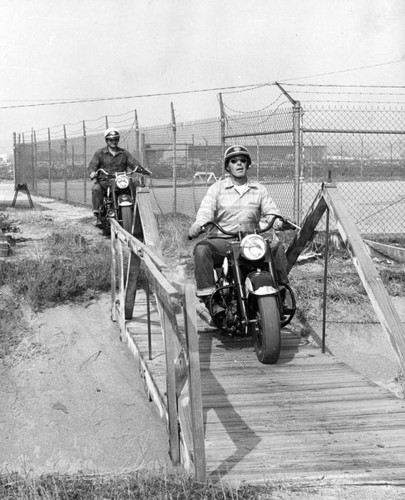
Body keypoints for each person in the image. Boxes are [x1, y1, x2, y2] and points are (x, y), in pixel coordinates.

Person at [188, 144, 289, 319]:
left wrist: (280, 222)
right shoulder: (217, 189)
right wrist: (199, 225)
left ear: (248, 164)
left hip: (251, 241)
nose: (239, 164)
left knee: (276, 247)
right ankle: (211, 301)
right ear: (228, 166)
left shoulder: (259, 189)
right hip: (223, 240)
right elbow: (205, 212)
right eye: (234, 161)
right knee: (202, 249)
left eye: (243, 161)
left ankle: (280, 294)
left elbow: (272, 212)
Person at [88, 128, 150, 223]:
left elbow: (134, 164)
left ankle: (137, 213)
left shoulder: (124, 153)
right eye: (111, 140)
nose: (114, 142)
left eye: (116, 139)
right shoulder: (100, 153)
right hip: (105, 181)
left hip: (121, 180)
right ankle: (98, 214)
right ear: (107, 140)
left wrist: (143, 170)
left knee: (135, 185)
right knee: (96, 189)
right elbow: (92, 166)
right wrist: (92, 172)